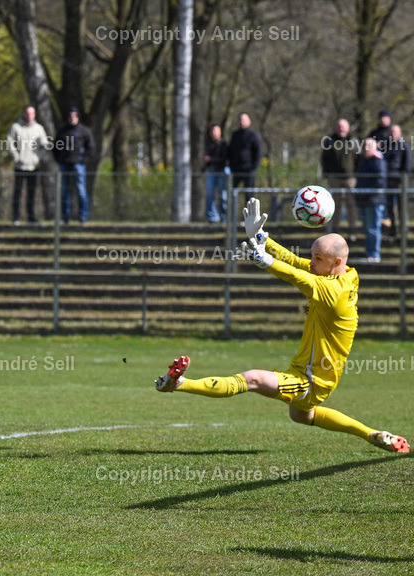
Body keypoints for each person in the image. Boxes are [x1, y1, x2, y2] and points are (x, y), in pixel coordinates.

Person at [154, 198, 409, 455]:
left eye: (317, 258)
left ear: (336, 262)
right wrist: (263, 238)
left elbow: (297, 277)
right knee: (303, 416)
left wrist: (266, 261)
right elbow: (297, 263)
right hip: (310, 373)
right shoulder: (347, 275)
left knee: (252, 379)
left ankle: (178, 384)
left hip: (311, 380)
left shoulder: (332, 291)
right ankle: (372, 434)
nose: (311, 262)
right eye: (313, 256)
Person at [53, 107, 96, 224]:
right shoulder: (62, 131)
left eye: (75, 115)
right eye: (70, 116)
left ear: (78, 117)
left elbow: (91, 149)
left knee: (81, 191)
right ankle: (65, 218)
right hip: (64, 164)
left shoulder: (84, 131)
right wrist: (59, 159)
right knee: (64, 192)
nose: (72, 118)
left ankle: (83, 216)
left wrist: (83, 160)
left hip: (78, 165)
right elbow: (55, 147)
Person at [7, 106, 49, 225]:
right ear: (24, 113)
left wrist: (38, 157)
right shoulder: (15, 127)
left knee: (31, 193)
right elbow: (10, 144)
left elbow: (45, 144)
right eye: (27, 113)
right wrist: (17, 157)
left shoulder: (39, 128)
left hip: (34, 166)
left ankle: (31, 217)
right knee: (17, 192)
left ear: (34, 114)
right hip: (20, 166)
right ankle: (15, 218)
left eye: (32, 113)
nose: (29, 116)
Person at [320, 119, 361, 237]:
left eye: (343, 126)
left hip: (350, 178)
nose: (341, 129)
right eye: (339, 126)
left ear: (348, 128)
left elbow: (359, 158)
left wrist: (357, 175)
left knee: (351, 204)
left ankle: (352, 231)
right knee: (334, 205)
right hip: (334, 178)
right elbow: (324, 159)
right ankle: (334, 230)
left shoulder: (354, 140)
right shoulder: (329, 141)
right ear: (336, 128)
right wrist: (327, 174)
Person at [355, 137, 387, 262]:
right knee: (368, 229)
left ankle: (374, 254)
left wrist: (366, 193)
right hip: (365, 201)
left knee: (373, 229)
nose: (365, 148)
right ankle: (370, 254)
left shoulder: (378, 161)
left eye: (369, 146)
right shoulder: (365, 162)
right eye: (364, 146)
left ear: (375, 147)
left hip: (374, 201)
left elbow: (379, 181)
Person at [383, 124, 410, 237]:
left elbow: (407, 165)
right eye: (391, 132)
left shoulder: (404, 147)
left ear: (400, 133)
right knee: (390, 208)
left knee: (402, 207)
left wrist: (403, 179)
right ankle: (393, 230)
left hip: (399, 182)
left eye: (395, 132)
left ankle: (403, 232)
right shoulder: (385, 146)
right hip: (387, 181)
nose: (393, 134)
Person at [228, 113, 262, 199]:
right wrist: (231, 165)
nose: (241, 122)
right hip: (236, 169)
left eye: (243, 120)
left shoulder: (253, 135)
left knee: (249, 194)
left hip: (249, 169)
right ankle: (232, 208)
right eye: (240, 120)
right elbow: (230, 150)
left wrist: (254, 166)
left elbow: (258, 151)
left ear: (249, 121)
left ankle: (249, 208)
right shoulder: (235, 135)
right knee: (232, 193)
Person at [202, 124, 230, 223]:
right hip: (211, 170)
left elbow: (224, 159)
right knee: (210, 194)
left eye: (216, 130)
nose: (214, 133)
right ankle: (213, 217)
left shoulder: (224, 144)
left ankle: (224, 217)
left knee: (223, 195)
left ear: (220, 132)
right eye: (212, 130)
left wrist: (211, 159)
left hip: (222, 170)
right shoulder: (208, 144)